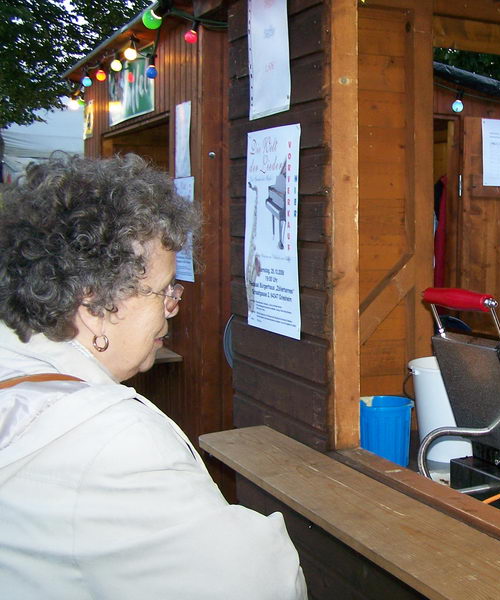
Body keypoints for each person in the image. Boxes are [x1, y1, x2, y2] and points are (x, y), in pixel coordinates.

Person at [0, 154, 307, 599]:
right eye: (163, 290)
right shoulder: (111, 441)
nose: (172, 308)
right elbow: (259, 585)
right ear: (94, 305)